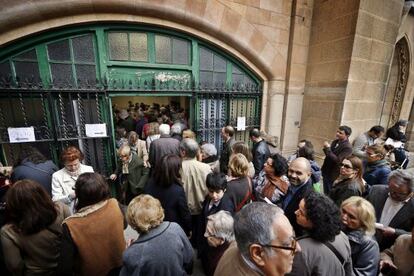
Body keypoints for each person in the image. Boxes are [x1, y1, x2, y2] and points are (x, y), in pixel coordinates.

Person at [58, 173, 126, 276]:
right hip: (120, 266)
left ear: (78, 194)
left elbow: (64, 268)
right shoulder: (114, 204)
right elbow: (124, 225)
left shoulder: (71, 225)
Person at [1, 180, 71, 276]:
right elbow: (73, 238)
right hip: (67, 267)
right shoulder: (62, 209)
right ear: (42, 194)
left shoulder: (9, 231)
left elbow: (15, 265)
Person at [215, 202, 300, 276]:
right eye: (287, 244)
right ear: (258, 253)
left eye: (293, 236)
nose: (298, 249)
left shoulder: (238, 245)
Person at [120, 194, 193, 276]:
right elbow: (189, 259)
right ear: (158, 210)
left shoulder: (132, 254)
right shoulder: (175, 228)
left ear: (133, 222)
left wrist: (131, 249)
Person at [288, 191, 353, 276]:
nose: (296, 212)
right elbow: (348, 271)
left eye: (301, 212)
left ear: (314, 220)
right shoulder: (342, 236)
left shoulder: (300, 250)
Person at [366, 169, 414, 251]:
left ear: (411, 193)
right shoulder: (376, 190)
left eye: (400, 193)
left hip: (389, 251)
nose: (394, 195)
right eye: (391, 190)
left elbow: (411, 234)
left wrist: (395, 232)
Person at [144, 154, 192, 236]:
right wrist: (189, 228)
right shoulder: (177, 190)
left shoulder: (150, 183)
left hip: (153, 227)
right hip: (172, 229)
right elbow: (184, 214)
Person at [180, 138, 212, 246]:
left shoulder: (178, 167)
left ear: (183, 152)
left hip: (185, 209)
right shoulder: (206, 167)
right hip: (201, 207)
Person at [340, 197, 380, 276]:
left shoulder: (369, 244)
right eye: (343, 211)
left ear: (363, 222)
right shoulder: (335, 228)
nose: (344, 217)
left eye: (351, 217)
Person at [51, 146, 94, 211]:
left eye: (76, 164)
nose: (73, 168)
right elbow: (55, 200)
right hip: (70, 212)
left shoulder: (88, 169)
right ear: (64, 163)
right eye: (69, 165)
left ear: (80, 160)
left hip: (90, 209)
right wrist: (70, 197)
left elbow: (96, 189)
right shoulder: (57, 176)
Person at [282, 157, 314, 236]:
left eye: (298, 173)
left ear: (308, 175)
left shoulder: (307, 198)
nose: (293, 175)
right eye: (291, 171)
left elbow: (302, 227)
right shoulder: (294, 185)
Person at [201, 211, 234, 276]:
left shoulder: (221, 262)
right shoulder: (216, 246)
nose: (205, 235)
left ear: (221, 239)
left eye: (209, 233)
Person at [322, 125, 353, 194]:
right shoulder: (335, 141)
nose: (337, 134)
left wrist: (328, 148)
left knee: (330, 191)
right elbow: (329, 155)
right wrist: (326, 148)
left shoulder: (348, 147)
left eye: (340, 133)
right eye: (337, 131)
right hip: (326, 170)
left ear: (347, 135)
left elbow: (338, 161)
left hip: (333, 173)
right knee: (325, 190)